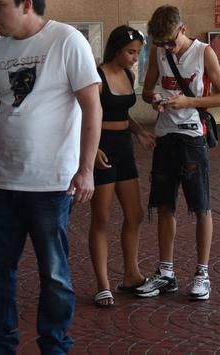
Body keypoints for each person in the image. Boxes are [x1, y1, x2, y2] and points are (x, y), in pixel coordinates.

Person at [0, 0, 102, 354]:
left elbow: (92, 107)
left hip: (51, 186)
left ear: (26, 4)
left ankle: (55, 346)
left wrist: (86, 168)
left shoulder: (66, 40)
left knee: (55, 276)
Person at [134, 5, 220, 301]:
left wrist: (187, 101)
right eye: (161, 44)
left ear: (183, 30)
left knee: (200, 207)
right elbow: (148, 89)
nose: (167, 49)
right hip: (166, 136)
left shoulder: (204, 53)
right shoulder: (160, 52)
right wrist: (157, 99)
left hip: (192, 138)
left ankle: (202, 273)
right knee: (164, 204)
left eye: (171, 43)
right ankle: (166, 273)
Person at [89, 26, 156, 308]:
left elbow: (122, 114)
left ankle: (132, 275)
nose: (134, 58)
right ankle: (103, 284)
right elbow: (84, 115)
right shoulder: (97, 75)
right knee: (101, 218)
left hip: (124, 149)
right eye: (131, 52)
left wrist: (139, 131)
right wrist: (91, 151)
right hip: (101, 148)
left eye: (138, 53)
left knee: (135, 213)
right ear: (116, 49)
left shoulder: (128, 75)